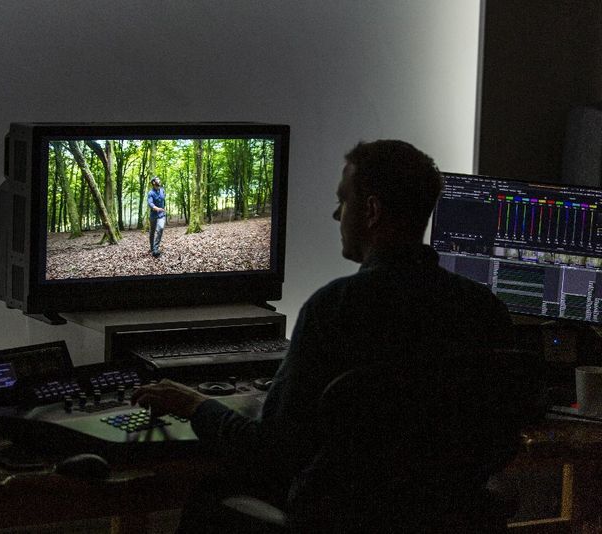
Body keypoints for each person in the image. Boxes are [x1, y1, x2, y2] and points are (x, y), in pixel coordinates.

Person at [131, 140, 515, 532]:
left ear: (371, 211)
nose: (336, 214)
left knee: (211, 494)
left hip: (339, 520)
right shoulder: (485, 309)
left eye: (343, 201)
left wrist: (196, 405)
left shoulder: (334, 308)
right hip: (446, 519)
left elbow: (271, 451)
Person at [147, 176, 166, 257]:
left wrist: (163, 209)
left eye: (159, 179)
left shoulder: (162, 190)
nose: (159, 180)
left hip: (161, 215)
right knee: (152, 232)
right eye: (157, 179)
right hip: (153, 215)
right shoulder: (150, 193)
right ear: (153, 182)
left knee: (160, 228)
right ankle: (152, 247)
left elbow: (163, 201)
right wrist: (156, 208)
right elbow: (150, 203)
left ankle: (155, 249)